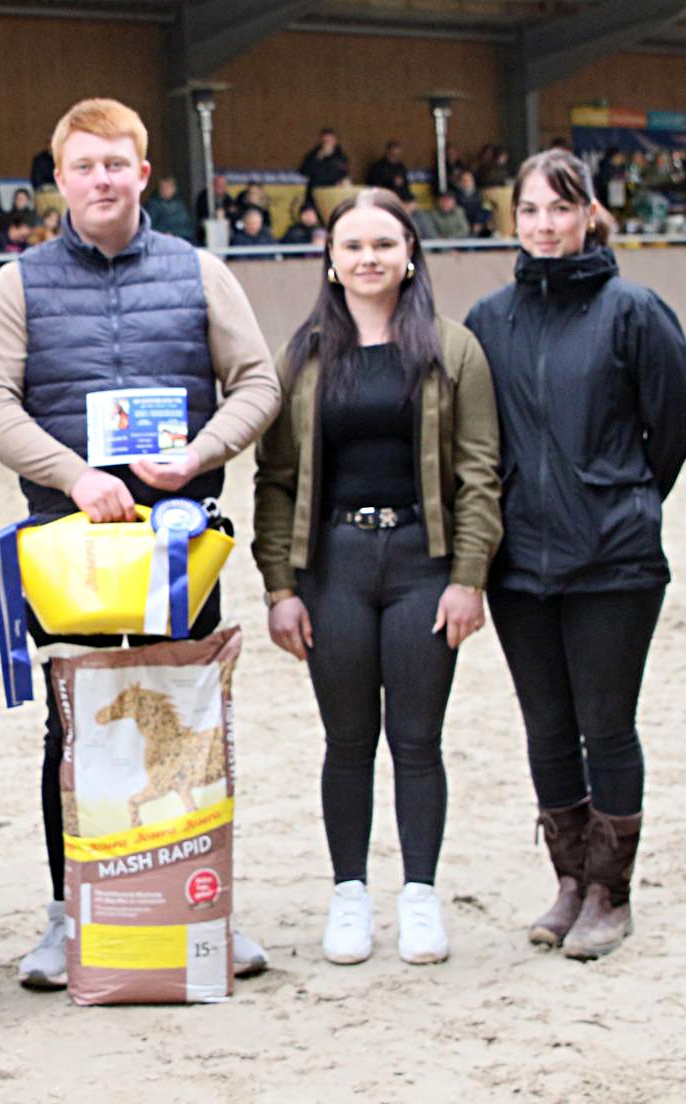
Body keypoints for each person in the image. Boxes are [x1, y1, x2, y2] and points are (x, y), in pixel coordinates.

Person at [0, 98, 281, 990]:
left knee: (191, 721)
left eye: (116, 164)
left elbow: (257, 382)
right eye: (84, 166)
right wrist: (73, 476)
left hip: (181, 547)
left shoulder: (201, 272)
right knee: (74, 727)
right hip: (72, 548)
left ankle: (201, 904)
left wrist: (201, 454)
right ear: (59, 180)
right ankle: (68, 914)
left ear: (142, 173)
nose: (101, 179)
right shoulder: (17, 284)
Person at [253, 187, 502, 967]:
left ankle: (420, 894)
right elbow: (275, 478)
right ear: (330, 258)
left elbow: (480, 472)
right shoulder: (302, 356)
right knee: (348, 739)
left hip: (425, 563)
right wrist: (280, 587)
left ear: (410, 254)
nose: (369, 258)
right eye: (354, 245)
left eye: (384, 244)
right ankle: (349, 893)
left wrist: (469, 576)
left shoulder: (453, 350)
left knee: (419, 739)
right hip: (334, 564)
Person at [464, 150, 686, 961]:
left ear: (589, 215)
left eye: (560, 209)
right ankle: (568, 878)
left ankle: (610, 890)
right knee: (548, 726)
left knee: (607, 723)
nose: (545, 225)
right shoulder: (490, 320)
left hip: (612, 560)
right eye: (530, 210)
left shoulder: (633, 311)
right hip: (520, 565)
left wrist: (624, 495)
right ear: (514, 220)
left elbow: (676, 421)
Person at [300, 127, 350, 196]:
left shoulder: (341, 157)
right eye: (325, 141)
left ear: (335, 141)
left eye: (330, 141)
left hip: (333, 190)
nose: (328, 143)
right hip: (316, 190)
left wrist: (343, 181)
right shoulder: (313, 155)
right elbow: (304, 172)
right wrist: (318, 157)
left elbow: (344, 174)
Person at [145, 175, 195, 242]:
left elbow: (188, 224)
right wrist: (163, 233)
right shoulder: (154, 205)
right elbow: (149, 226)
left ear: (174, 189)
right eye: (162, 188)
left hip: (184, 237)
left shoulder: (180, 203)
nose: (165, 191)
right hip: (164, 239)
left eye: (168, 188)